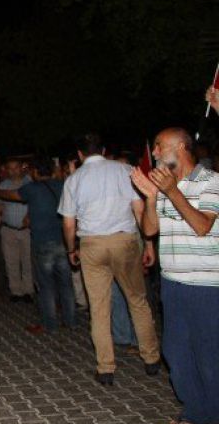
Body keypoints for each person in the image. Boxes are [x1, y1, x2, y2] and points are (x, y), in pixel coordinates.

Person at [131, 124, 219, 424]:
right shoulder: (165, 186)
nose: (154, 152)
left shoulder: (211, 182)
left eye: (159, 145)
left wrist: (171, 191)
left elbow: (202, 226)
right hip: (172, 284)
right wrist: (153, 198)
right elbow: (150, 229)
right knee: (176, 355)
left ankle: (204, 416)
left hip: (207, 287)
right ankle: (197, 412)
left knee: (209, 359)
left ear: (182, 147)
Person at [58, 133, 160, 386]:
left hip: (92, 245)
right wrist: (147, 243)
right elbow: (139, 210)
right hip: (124, 241)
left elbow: (69, 224)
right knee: (137, 300)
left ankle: (105, 368)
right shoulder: (124, 170)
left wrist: (72, 249)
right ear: (103, 150)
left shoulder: (73, 179)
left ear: (80, 155)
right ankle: (151, 359)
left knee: (99, 307)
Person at [0, 158, 75, 333]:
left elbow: (10, 195)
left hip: (42, 242)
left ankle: (49, 325)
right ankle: (70, 321)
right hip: (62, 241)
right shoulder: (62, 185)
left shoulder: (32, 188)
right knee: (65, 283)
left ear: (35, 172)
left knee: (45, 285)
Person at [0, 159, 34, 302]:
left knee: (27, 261)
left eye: (16, 168)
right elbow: (0, 206)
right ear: (6, 170)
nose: (13, 171)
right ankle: (15, 291)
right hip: (8, 229)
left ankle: (28, 291)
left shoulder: (29, 183)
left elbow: (35, 203)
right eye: (10, 168)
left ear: (21, 168)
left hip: (26, 230)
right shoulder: (3, 185)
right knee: (11, 261)